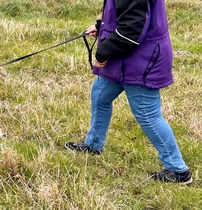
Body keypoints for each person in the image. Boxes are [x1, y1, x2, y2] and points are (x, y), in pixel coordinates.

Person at [65, 0, 193, 184]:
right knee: (100, 95)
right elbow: (129, 16)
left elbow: (131, 31)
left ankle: (178, 170)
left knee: (148, 114)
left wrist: (102, 53)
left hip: (141, 61)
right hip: (124, 58)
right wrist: (102, 28)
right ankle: (93, 144)